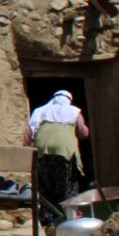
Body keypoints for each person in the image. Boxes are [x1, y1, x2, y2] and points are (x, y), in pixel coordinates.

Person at [24, 90, 89, 220]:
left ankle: (48, 220)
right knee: (68, 185)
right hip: (65, 151)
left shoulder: (40, 110)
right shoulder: (74, 111)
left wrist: (28, 150)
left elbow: (30, 131)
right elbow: (83, 133)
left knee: (45, 186)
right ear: (69, 100)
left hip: (43, 151)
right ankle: (69, 218)